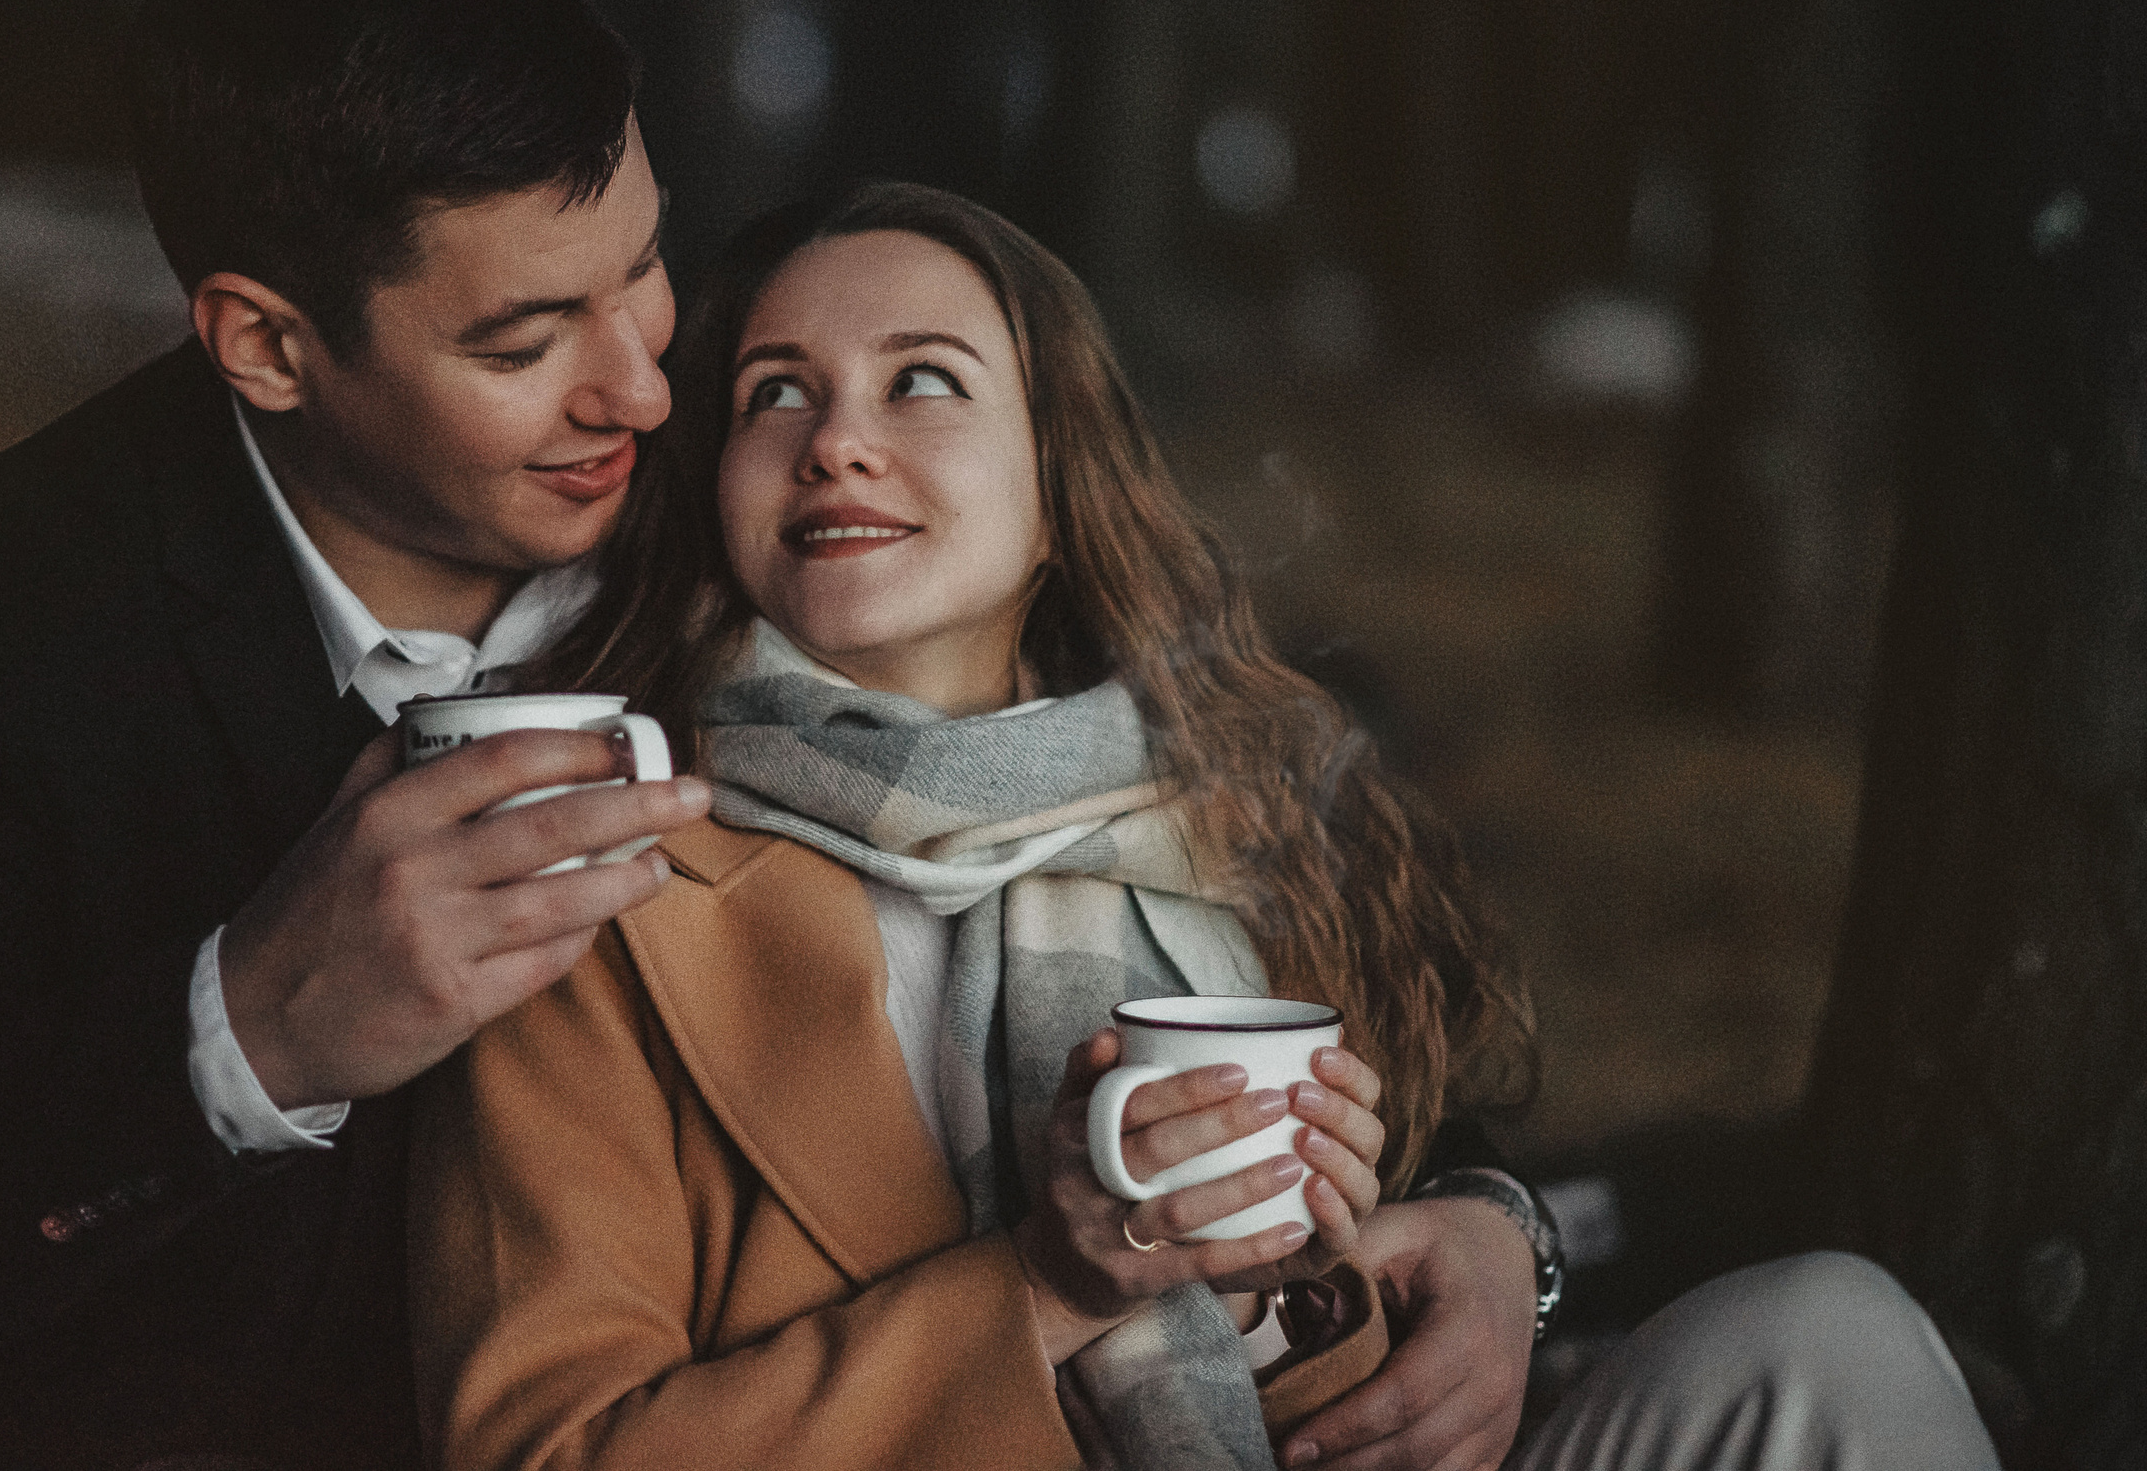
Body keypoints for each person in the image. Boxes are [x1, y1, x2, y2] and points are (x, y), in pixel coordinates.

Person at [410, 183, 2003, 1471]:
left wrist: (1469, 1246)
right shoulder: (597, 888)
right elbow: (545, 1450)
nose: (836, 436)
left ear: (1058, 485)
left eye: (923, 380)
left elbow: (1416, 1221)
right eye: (777, 393)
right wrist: (1046, 1286)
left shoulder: (1233, 824)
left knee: (1827, 1340)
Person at [0, 0, 710, 1469]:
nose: (643, 384)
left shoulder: (772, 494)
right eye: (523, 342)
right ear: (266, 345)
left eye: (647, 265)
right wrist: (247, 1028)